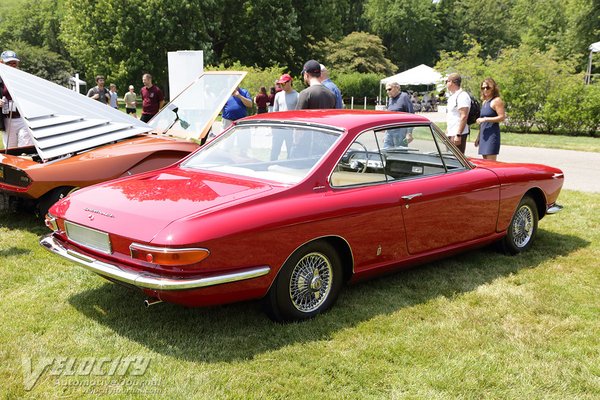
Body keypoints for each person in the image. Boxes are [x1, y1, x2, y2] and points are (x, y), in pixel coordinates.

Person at [0, 50, 33, 148]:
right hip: (6, 120)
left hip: (22, 118)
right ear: (1, 63)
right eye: (8, 63)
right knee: (10, 149)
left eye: (14, 63)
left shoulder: (22, 78)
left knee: (26, 146)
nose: (12, 65)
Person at [475, 78, 506, 161]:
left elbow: (502, 117)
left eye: (488, 87)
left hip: (492, 135)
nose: (485, 90)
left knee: (491, 163)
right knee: (485, 162)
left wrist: (485, 119)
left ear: (493, 88)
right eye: (483, 88)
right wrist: (478, 137)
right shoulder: (484, 102)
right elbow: (482, 122)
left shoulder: (496, 101)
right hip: (484, 135)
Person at [271, 73, 299, 160]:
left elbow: (299, 114)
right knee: (275, 149)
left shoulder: (297, 95)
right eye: (280, 84)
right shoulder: (278, 95)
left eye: (283, 83)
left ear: (290, 82)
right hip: (279, 128)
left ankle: (289, 167)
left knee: (290, 150)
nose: (281, 86)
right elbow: (275, 112)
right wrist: (273, 127)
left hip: (291, 128)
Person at [445, 73, 470, 154]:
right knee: (450, 160)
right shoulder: (452, 96)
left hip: (458, 134)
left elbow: (464, 116)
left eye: (447, 81)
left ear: (452, 82)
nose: (446, 84)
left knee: (456, 161)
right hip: (451, 133)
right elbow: (452, 116)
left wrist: (458, 135)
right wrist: (447, 130)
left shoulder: (462, 96)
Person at [384, 82, 414, 148]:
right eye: (386, 90)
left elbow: (411, 115)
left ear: (397, 88)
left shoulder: (404, 97)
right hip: (389, 132)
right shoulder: (390, 99)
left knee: (400, 154)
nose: (387, 92)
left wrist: (409, 133)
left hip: (400, 132)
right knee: (385, 152)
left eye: (389, 89)